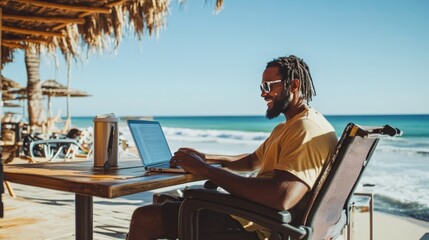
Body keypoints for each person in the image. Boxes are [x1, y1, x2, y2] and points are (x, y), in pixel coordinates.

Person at [127, 55, 338, 240]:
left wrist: (207, 171)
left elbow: (281, 197)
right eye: (261, 87)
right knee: (162, 200)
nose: (263, 94)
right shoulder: (289, 126)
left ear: (293, 86)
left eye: (268, 86)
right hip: (255, 216)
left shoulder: (305, 128)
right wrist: (206, 158)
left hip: (255, 227)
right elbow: (253, 161)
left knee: (144, 218)